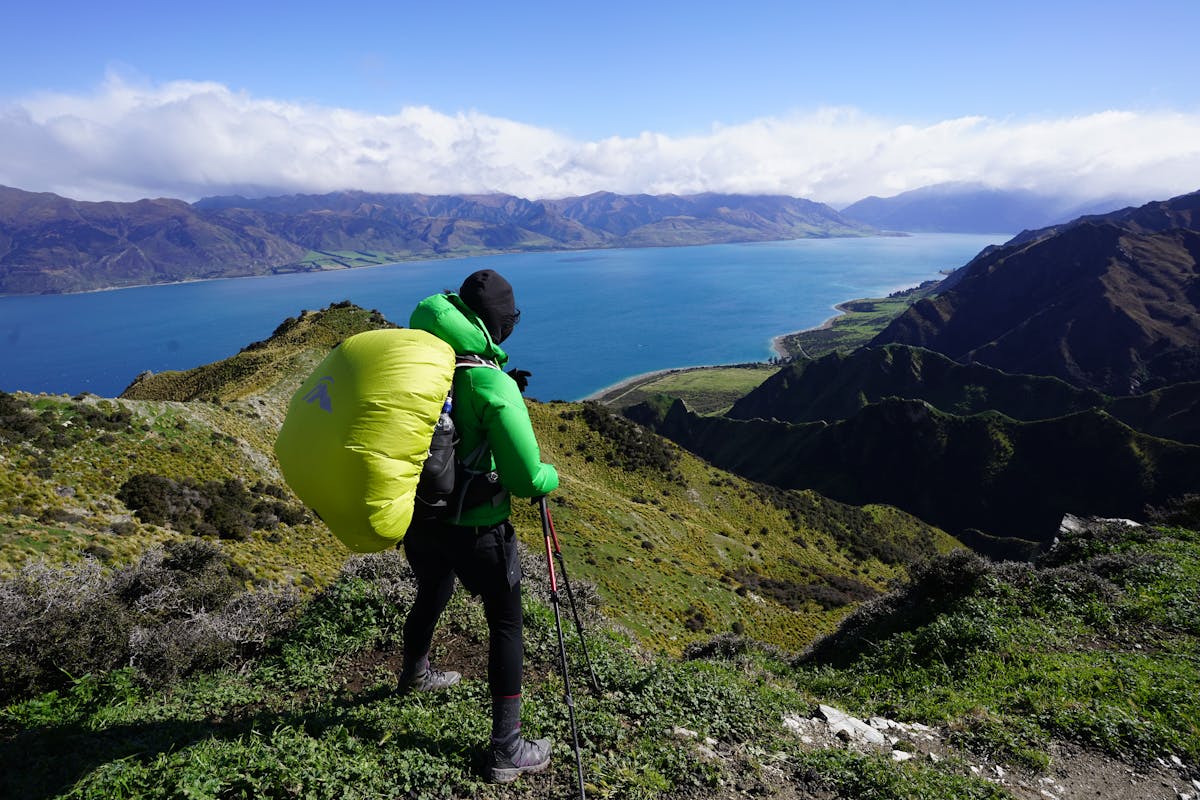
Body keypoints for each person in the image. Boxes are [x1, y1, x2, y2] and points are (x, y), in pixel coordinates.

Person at [398, 269, 560, 784]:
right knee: (506, 624)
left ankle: (415, 675)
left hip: (420, 520)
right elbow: (526, 477)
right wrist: (551, 476)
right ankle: (507, 749)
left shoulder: (416, 364)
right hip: (479, 529)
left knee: (432, 589)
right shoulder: (489, 381)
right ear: (493, 324)